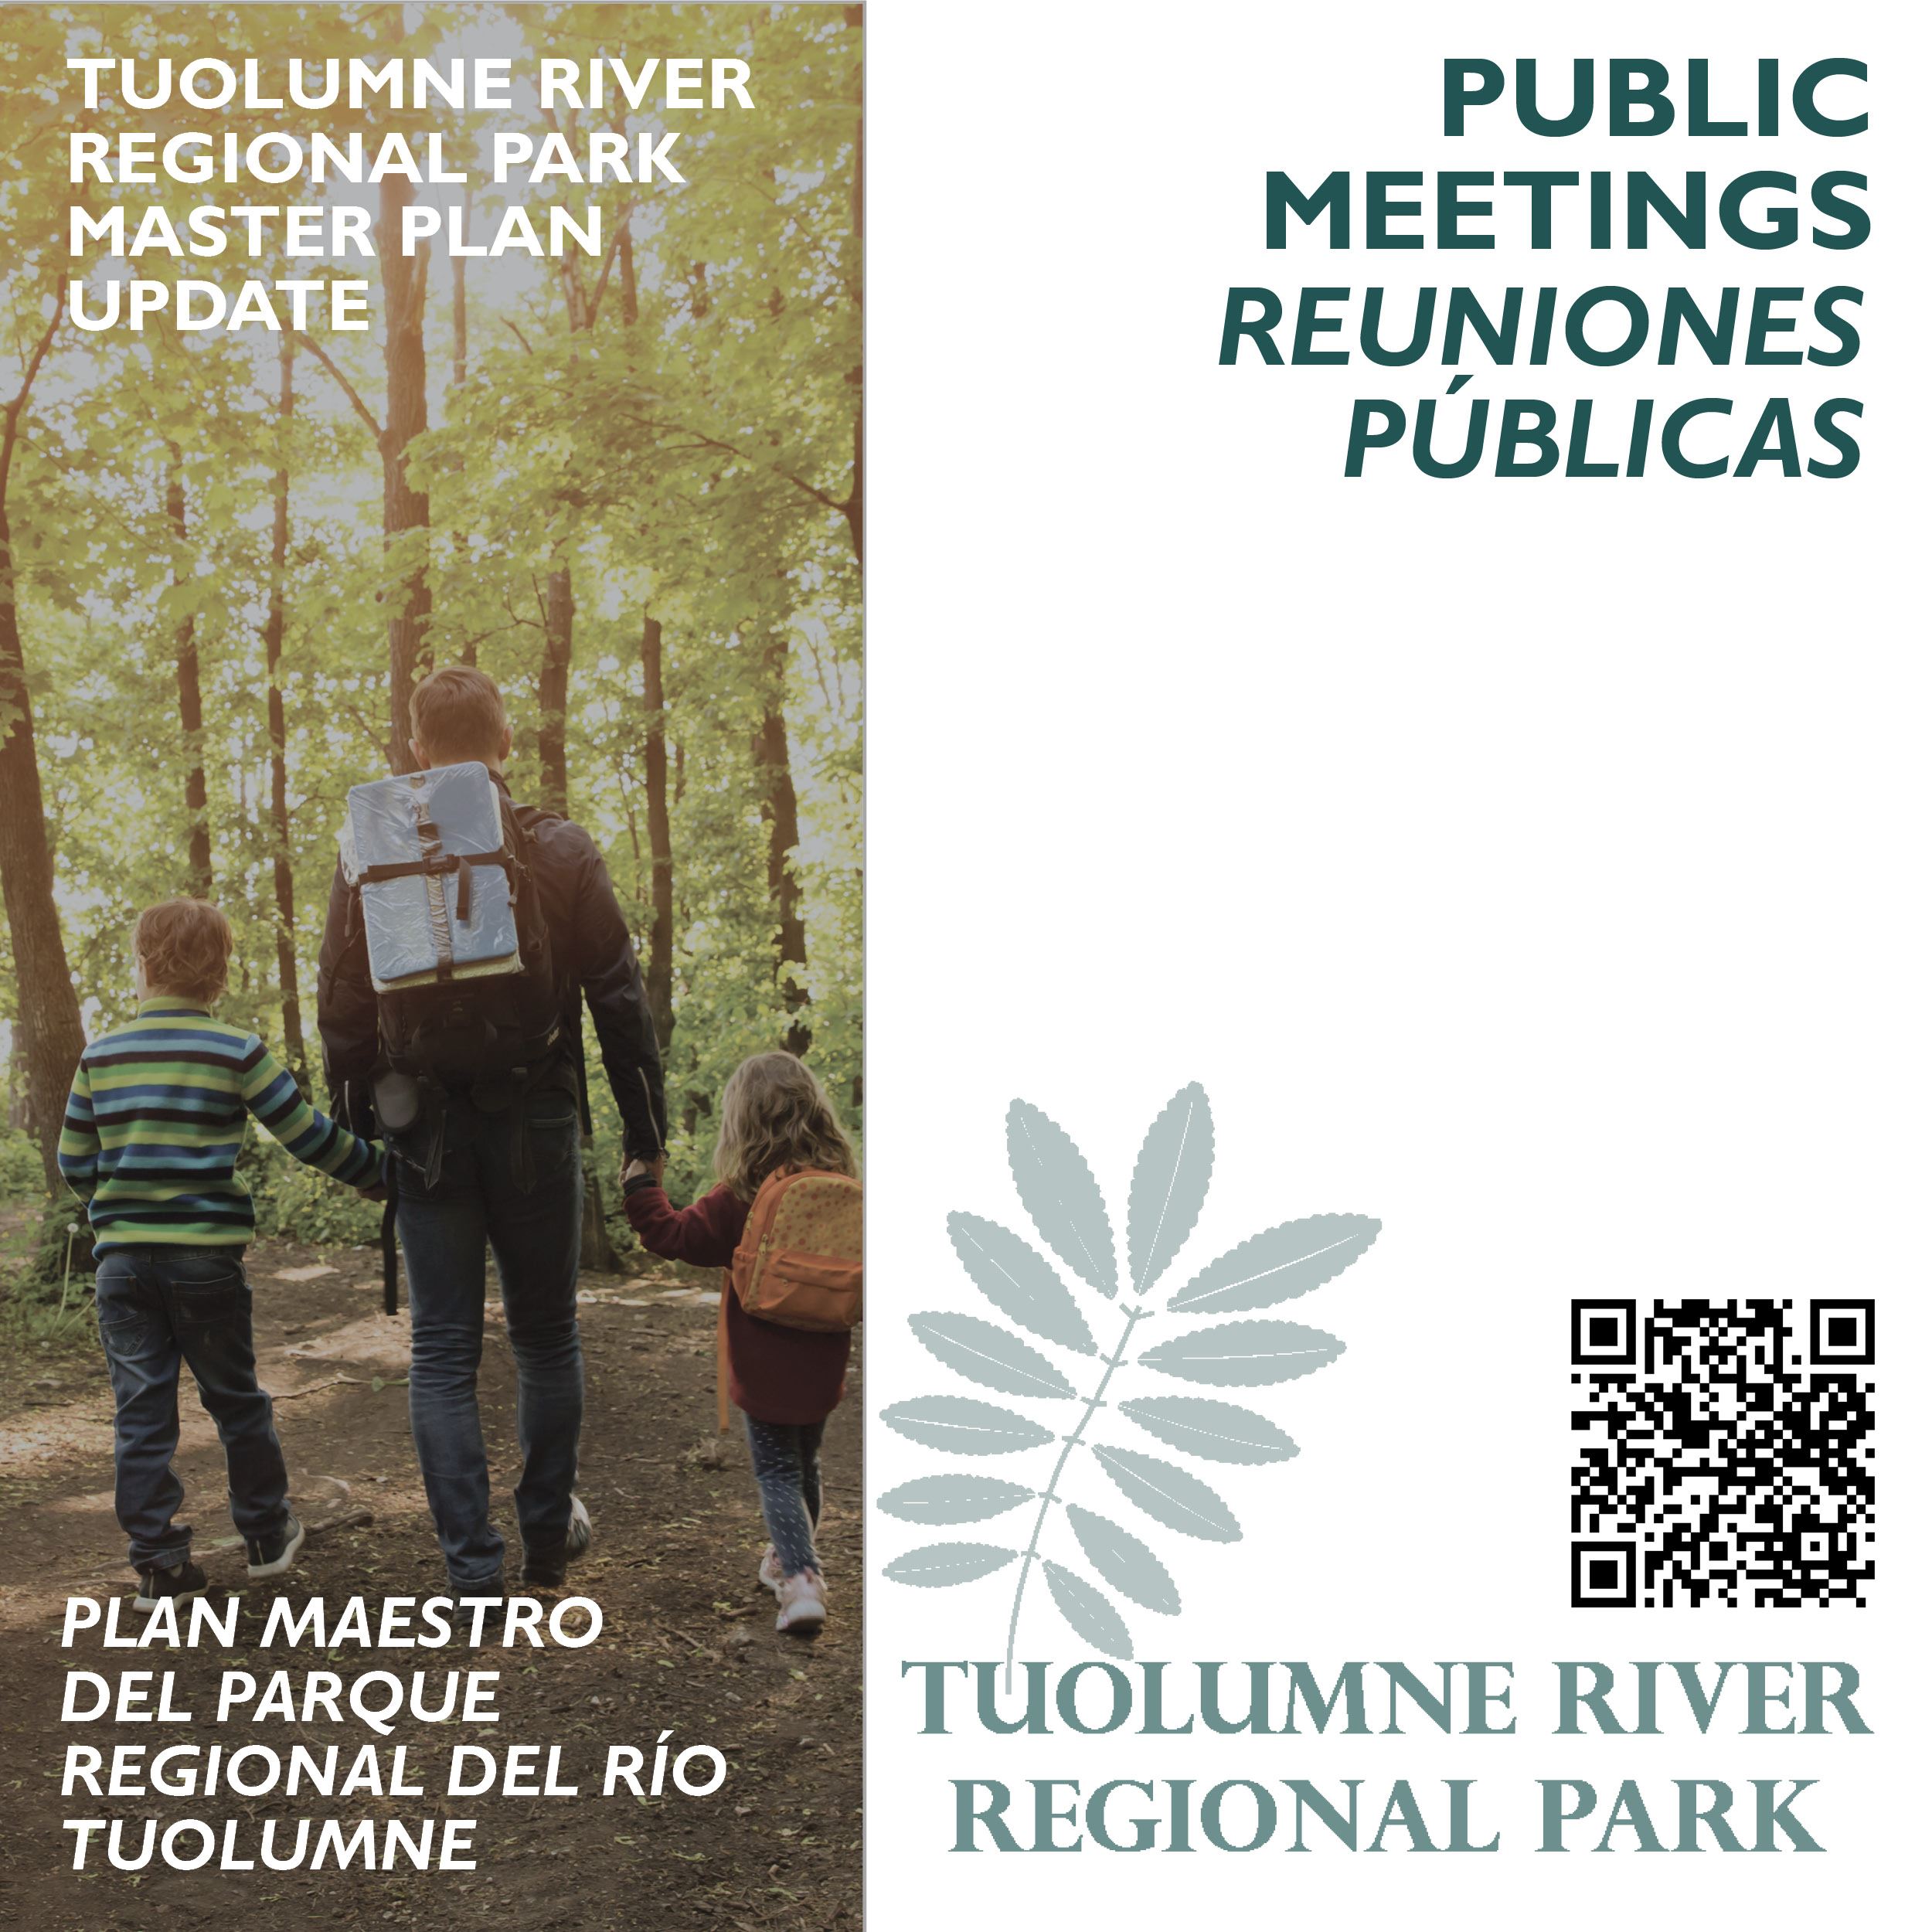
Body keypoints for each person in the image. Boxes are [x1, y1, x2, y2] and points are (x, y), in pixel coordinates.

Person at [317, 665, 667, 1599]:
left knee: (442, 1350)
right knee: (546, 1338)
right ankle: (545, 1549)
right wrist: (645, 1135)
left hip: (422, 1130)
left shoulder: (368, 854)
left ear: (417, 749)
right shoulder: (559, 847)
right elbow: (618, 999)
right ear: (505, 743)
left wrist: (358, 1134)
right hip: (537, 1117)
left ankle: (472, 1574)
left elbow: (341, 1005)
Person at [57, 898, 383, 1607]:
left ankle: (160, 1566)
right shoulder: (236, 1050)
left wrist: (117, 1211)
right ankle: (265, 1534)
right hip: (205, 1265)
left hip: (123, 1268)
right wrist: (380, 1171)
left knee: (141, 1413)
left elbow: (73, 1160)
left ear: (143, 964)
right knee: (236, 1400)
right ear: (219, 971)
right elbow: (305, 1134)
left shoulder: (101, 1055)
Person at [621, 1051, 857, 1635]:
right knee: (804, 1462)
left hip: (765, 1361)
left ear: (741, 1121)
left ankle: (801, 1579)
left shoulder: (744, 1195)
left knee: (776, 1470)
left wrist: (641, 1186)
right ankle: (787, 1557)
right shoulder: (843, 1188)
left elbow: (673, 1236)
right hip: (825, 1353)